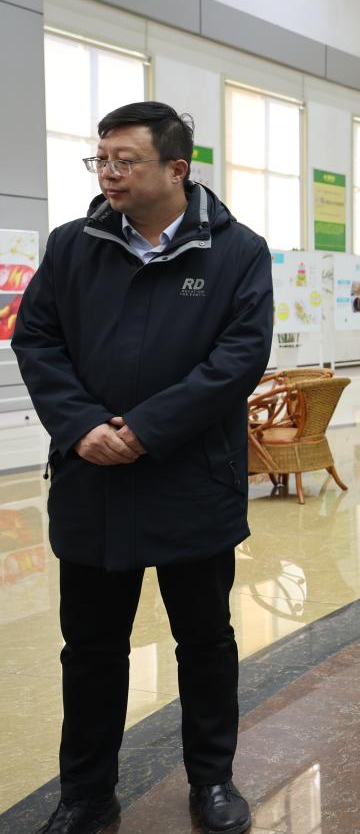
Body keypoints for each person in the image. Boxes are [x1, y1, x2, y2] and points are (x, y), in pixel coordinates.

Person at [13, 102, 273, 834]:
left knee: (205, 641)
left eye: (124, 160)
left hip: (192, 479)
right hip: (93, 478)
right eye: (100, 159)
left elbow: (238, 358)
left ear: (176, 168)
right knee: (91, 649)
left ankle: (212, 780)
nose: (108, 172)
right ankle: (86, 793)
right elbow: (37, 340)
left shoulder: (237, 251)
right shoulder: (73, 246)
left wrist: (147, 430)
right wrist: (82, 426)